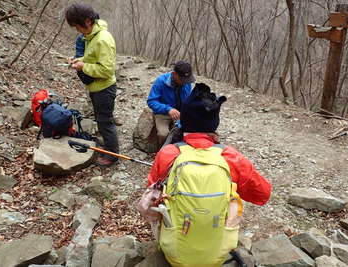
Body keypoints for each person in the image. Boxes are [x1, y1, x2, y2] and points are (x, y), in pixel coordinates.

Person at [147, 83, 272, 266]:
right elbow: (263, 194)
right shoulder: (230, 156)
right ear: (214, 123)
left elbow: (151, 198)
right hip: (216, 257)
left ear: (185, 121)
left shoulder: (168, 154)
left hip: (174, 254)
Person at [65, 3, 119, 167]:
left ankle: (112, 155)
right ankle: (108, 146)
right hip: (96, 88)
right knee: (101, 119)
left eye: (77, 26)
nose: (77, 31)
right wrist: (78, 60)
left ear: (88, 21)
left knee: (105, 121)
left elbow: (107, 70)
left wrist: (84, 67)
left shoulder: (102, 39)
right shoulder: (92, 36)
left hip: (104, 88)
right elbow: (91, 58)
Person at [147, 60, 195, 147]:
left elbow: (188, 101)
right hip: (163, 113)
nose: (185, 82)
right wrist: (168, 109)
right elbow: (151, 101)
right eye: (182, 79)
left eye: (187, 80)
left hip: (181, 113)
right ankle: (164, 152)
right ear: (174, 74)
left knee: (189, 133)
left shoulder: (186, 83)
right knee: (163, 134)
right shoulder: (161, 81)